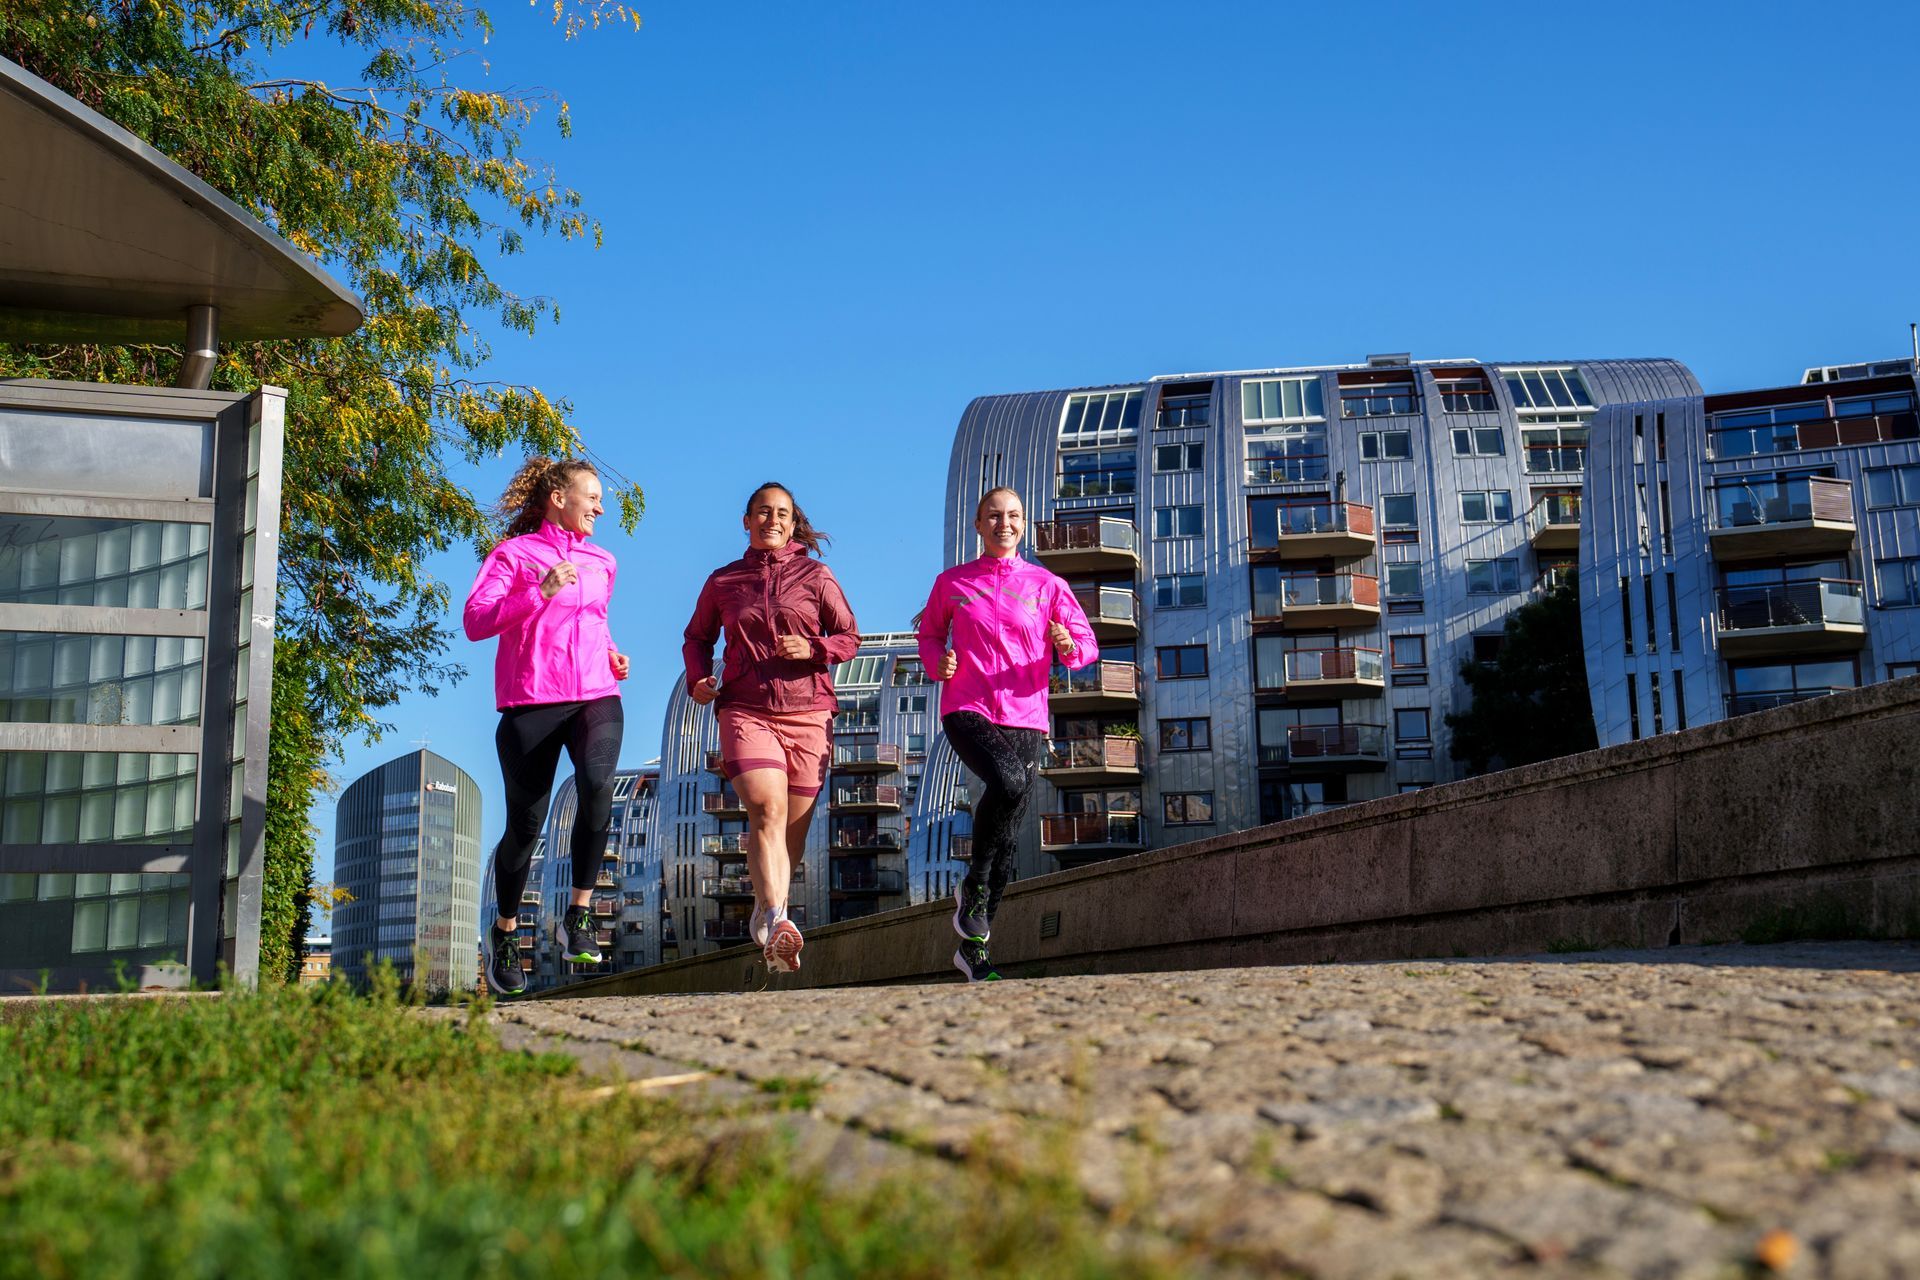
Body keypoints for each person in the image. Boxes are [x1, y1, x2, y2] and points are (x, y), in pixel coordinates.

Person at [917, 487, 1098, 982]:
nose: (1004, 523)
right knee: (1011, 783)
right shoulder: (952, 583)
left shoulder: (1046, 584)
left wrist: (1066, 645)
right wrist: (939, 662)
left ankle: (974, 951)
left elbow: (1086, 643)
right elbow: (929, 635)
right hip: (967, 706)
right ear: (978, 525)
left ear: (1023, 523)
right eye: (994, 516)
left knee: (1010, 839)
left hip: (1025, 714)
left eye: (1014, 516)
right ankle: (974, 883)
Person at [464, 457, 630, 998]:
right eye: (593, 496)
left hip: (596, 694)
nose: (601, 507)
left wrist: (610, 653)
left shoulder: (603, 561)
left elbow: (593, 622)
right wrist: (540, 591)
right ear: (559, 497)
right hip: (531, 702)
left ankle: (577, 914)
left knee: (599, 786)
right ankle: (506, 932)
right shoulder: (514, 555)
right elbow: (475, 621)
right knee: (524, 830)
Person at [683, 482, 859, 973]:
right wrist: (699, 678)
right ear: (747, 521)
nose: (772, 520)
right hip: (745, 708)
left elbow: (849, 635)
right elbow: (697, 636)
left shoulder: (816, 575)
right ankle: (781, 919)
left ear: (792, 521)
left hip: (809, 712)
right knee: (766, 807)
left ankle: (766, 904)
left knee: (791, 835)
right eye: (763, 512)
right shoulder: (723, 581)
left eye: (781, 513)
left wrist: (817, 649)